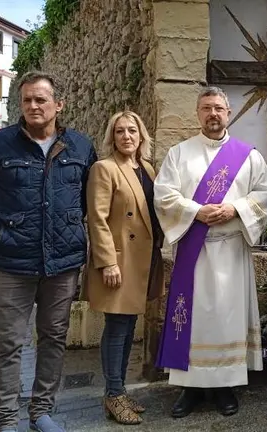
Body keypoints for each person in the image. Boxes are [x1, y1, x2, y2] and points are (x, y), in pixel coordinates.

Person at [0, 70, 97, 432]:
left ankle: (41, 412)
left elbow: (87, 198)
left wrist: (65, 228)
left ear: (59, 104)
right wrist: (6, 229)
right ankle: (6, 420)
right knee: (7, 342)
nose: (33, 106)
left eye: (41, 99)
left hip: (63, 263)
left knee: (54, 336)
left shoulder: (81, 147)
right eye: (27, 100)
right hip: (12, 263)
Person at [153, 86, 267, 418]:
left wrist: (235, 208)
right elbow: (164, 195)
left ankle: (224, 388)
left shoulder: (248, 156)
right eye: (207, 108)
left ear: (229, 113)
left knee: (226, 319)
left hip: (231, 252)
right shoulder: (179, 153)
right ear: (198, 113)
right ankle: (190, 388)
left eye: (219, 108)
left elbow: (265, 194)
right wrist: (196, 211)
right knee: (191, 321)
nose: (213, 114)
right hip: (193, 252)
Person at [85, 111, 165, 425]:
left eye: (132, 130)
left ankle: (119, 390)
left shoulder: (147, 168)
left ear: (141, 135)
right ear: (112, 137)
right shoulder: (104, 169)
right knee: (117, 328)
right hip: (119, 261)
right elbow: (97, 219)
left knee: (130, 326)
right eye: (120, 131)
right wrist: (107, 262)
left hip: (143, 258)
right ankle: (113, 395)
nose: (127, 136)